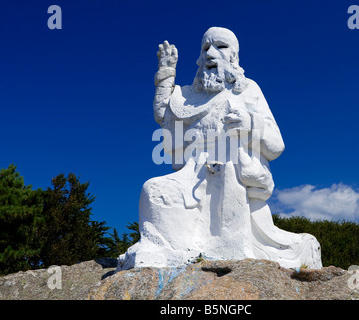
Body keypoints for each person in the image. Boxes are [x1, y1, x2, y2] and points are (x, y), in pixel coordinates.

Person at [117, 27, 322, 270]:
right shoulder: (188, 96)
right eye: (206, 48)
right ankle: (170, 250)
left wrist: (250, 124)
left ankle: (224, 251)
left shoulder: (248, 90)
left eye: (221, 46)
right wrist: (165, 75)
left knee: (227, 184)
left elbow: (276, 145)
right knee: (153, 189)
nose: (211, 53)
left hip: (231, 173)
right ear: (200, 58)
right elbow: (164, 115)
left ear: (234, 56)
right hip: (191, 175)